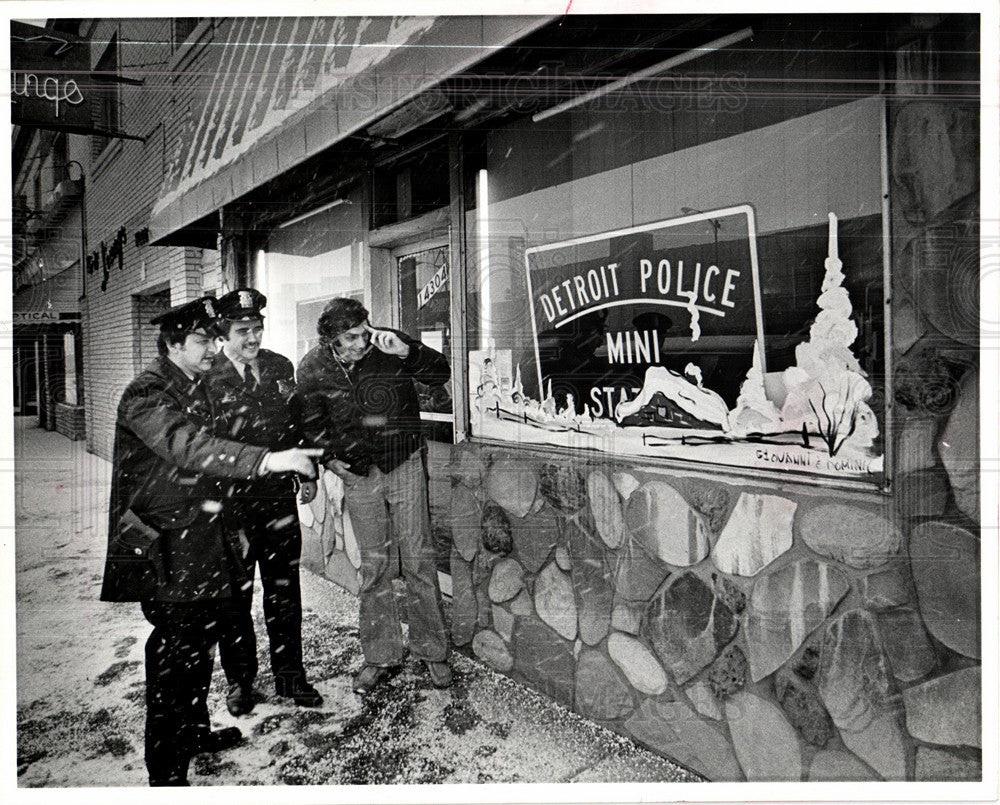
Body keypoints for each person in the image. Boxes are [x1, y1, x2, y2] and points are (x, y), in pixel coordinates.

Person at [99, 298, 322, 786]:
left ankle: (195, 731)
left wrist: (235, 521)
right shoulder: (148, 392)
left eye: (212, 338)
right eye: (202, 340)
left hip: (202, 538)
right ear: (174, 345)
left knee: (199, 644)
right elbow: (190, 447)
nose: (213, 348)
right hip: (167, 548)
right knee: (174, 658)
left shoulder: (193, 386)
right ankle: (167, 772)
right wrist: (268, 461)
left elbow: (213, 461)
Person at [295, 297, 452, 694]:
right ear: (331, 338)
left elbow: (440, 373)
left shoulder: (389, 345)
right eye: (352, 336)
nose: (363, 341)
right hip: (359, 473)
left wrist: (408, 352)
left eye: (365, 330)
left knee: (418, 557)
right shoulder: (313, 368)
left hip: (403, 463)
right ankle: (381, 655)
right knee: (375, 566)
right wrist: (329, 460)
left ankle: (432, 651)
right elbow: (311, 422)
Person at [205, 288, 322, 715]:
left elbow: (295, 426)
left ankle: (291, 676)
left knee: (285, 591)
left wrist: (306, 472)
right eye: (243, 331)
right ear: (223, 333)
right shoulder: (208, 377)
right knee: (235, 598)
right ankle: (241, 681)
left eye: (257, 328)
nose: (253, 338)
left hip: (277, 501)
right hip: (232, 506)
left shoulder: (278, 366)